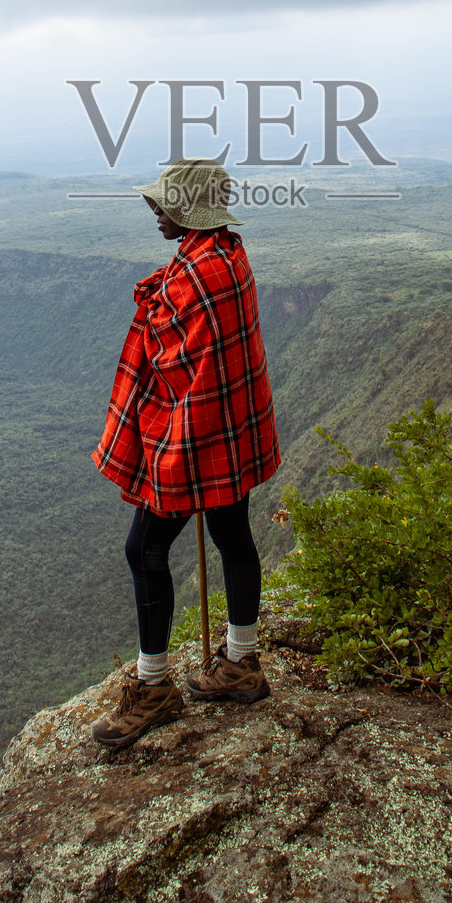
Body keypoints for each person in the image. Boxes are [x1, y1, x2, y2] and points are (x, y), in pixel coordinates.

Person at [90, 157, 281, 748]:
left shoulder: (192, 279)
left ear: (186, 210)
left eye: (162, 205)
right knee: (233, 538)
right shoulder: (227, 256)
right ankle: (241, 663)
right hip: (233, 428)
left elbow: (172, 366)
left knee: (143, 548)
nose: (154, 213)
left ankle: (154, 687)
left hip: (196, 435)